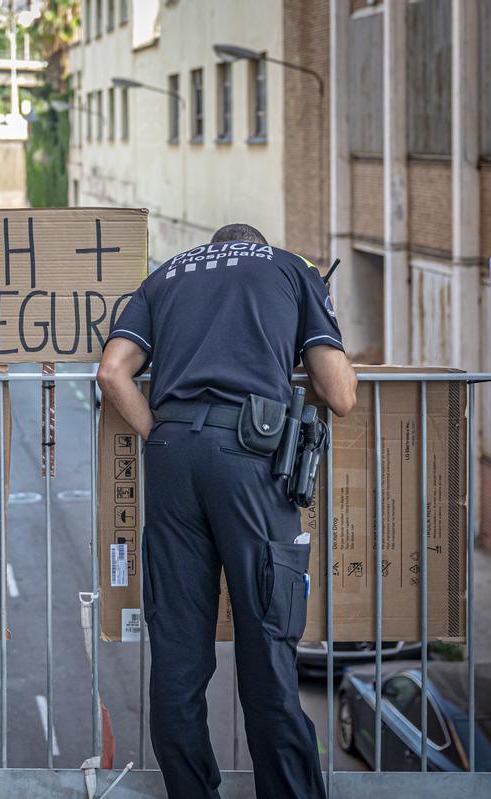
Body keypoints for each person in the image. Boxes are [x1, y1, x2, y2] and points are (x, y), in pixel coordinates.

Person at [97, 223, 357, 799]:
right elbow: (340, 394)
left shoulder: (165, 275)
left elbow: (113, 370)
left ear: (212, 247)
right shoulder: (292, 270)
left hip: (171, 458)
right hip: (250, 463)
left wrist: (158, 433)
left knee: (178, 650)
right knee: (266, 640)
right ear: (256, 246)